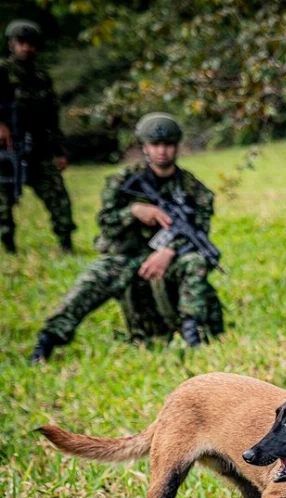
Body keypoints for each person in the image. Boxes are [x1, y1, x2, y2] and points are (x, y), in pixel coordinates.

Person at [30, 113, 222, 363]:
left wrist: (169, 252)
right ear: (145, 147)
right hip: (124, 255)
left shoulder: (194, 189)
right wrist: (134, 211)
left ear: (177, 147)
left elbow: (199, 233)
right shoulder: (123, 181)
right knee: (90, 281)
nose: (161, 151)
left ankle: (192, 335)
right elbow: (105, 222)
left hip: (169, 259)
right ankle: (46, 342)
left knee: (195, 262)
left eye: (168, 145)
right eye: (155, 145)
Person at [0, 19, 74, 253]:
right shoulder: (2, 72)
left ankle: (66, 243)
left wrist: (59, 151)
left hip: (39, 148)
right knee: (2, 202)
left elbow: (52, 119)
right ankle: (8, 245)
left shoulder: (41, 78)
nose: (26, 48)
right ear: (12, 44)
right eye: (21, 43)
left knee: (58, 197)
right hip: (7, 150)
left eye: (31, 43)